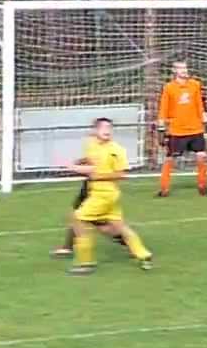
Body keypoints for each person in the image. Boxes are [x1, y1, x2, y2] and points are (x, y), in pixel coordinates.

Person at [65, 117, 154, 275]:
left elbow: (121, 174)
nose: (107, 131)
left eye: (109, 128)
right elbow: (92, 163)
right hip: (104, 195)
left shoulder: (117, 150)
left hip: (104, 195)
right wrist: (76, 165)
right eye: (103, 128)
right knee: (120, 226)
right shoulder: (90, 144)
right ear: (95, 131)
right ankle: (144, 255)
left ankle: (85, 262)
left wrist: (96, 176)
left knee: (77, 219)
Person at [155, 59, 207, 197]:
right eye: (181, 68)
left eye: (185, 68)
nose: (184, 71)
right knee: (170, 159)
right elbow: (164, 108)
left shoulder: (195, 85)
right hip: (177, 130)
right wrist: (161, 125)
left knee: (201, 157)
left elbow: (200, 103)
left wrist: (205, 118)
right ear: (174, 71)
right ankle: (164, 188)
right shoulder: (169, 88)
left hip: (196, 128)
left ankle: (202, 185)